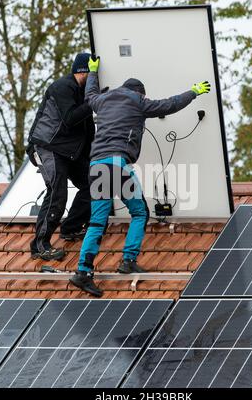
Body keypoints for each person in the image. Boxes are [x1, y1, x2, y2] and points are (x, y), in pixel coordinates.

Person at [69, 56, 211, 296]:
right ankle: (125, 261)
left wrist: (93, 72)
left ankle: (84, 272)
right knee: (139, 212)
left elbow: (89, 94)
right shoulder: (138, 101)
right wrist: (193, 92)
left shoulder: (102, 100)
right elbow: (169, 104)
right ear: (140, 93)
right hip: (116, 164)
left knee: (97, 222)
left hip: (97, 166)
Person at [26, 53, 95, 261]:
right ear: (82, 71)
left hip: (68, 151)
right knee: (57, 192)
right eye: (91, 75)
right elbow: (70, 118)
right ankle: (40, 245)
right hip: (47, 147)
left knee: (94, 182)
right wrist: (93, 102)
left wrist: (95, 157)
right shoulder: (62, 87)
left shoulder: (84, 94)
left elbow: (88, 132)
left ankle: (71, 228)